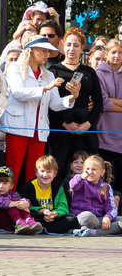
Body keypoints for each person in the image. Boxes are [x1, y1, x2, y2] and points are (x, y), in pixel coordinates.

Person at [1, 37, 76, 185]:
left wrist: (72, 97)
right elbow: (18, 92)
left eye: (48, 51)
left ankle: (33, 204)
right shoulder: (15, 67)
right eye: (43, 50)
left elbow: (54, 104)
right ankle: (8, 202)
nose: (47, 54)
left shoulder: (49, 75)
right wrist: (45, 88)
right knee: (13, 169)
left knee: (36, 170)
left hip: (39, 129)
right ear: (31, 51)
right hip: (18, 126)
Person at [47, 27, 101, 189]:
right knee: (59, 169)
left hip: (84, 130)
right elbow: (48, 103)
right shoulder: (54, 71)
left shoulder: (89, 72)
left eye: (76, 45)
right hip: (60, 129)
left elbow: (98, 102)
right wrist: (64, 123)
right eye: (69, 44)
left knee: (85, 171)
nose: (72, 49)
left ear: (82, 47)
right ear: (63, 45)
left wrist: (88, 124)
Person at [18, 155, 77, 234]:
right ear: (36, 172)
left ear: (55, 173)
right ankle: (45, 228)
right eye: (42, 171)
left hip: (53, 218)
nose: (45, 175)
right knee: (26, 216)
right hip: (37, 217)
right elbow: (27, 207)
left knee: (72, 219)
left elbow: (63, 207)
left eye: (49, 171)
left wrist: (55, 214)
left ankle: (43, 229)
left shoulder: (58, 186)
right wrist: (41, 211)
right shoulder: (29, 187)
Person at [66, 155, 119, 234]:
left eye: (94, 169)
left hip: (98, 219)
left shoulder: (106, 187)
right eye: (87, 169)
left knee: (120, 221)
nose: (90, 172)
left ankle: (92, 232)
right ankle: (100, 231)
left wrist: (108, 217)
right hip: (81, 218)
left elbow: (112, 207)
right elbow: (73, 186)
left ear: (102, 172)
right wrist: (81, 177)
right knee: (87, 216)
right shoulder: (80, 180)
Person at [0, 167, 40, 234]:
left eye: (5, 183)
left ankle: (28, 220)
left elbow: (22, 200)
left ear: (11, 186)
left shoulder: (14, 194)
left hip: (10, 223)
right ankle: (19, 222)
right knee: (12, 202)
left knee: (20, 203)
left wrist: (26, 203)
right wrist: (14, 203)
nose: (1, 186)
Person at [95, 39, 122, 174]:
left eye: (120, 52)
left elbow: (108, 101)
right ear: (107, 54)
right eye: (113, 52)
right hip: (105, 134)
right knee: (107, 177)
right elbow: (104, 104)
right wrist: (109, 101)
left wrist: (112, 100)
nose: (117, 55)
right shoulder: (99, 73)